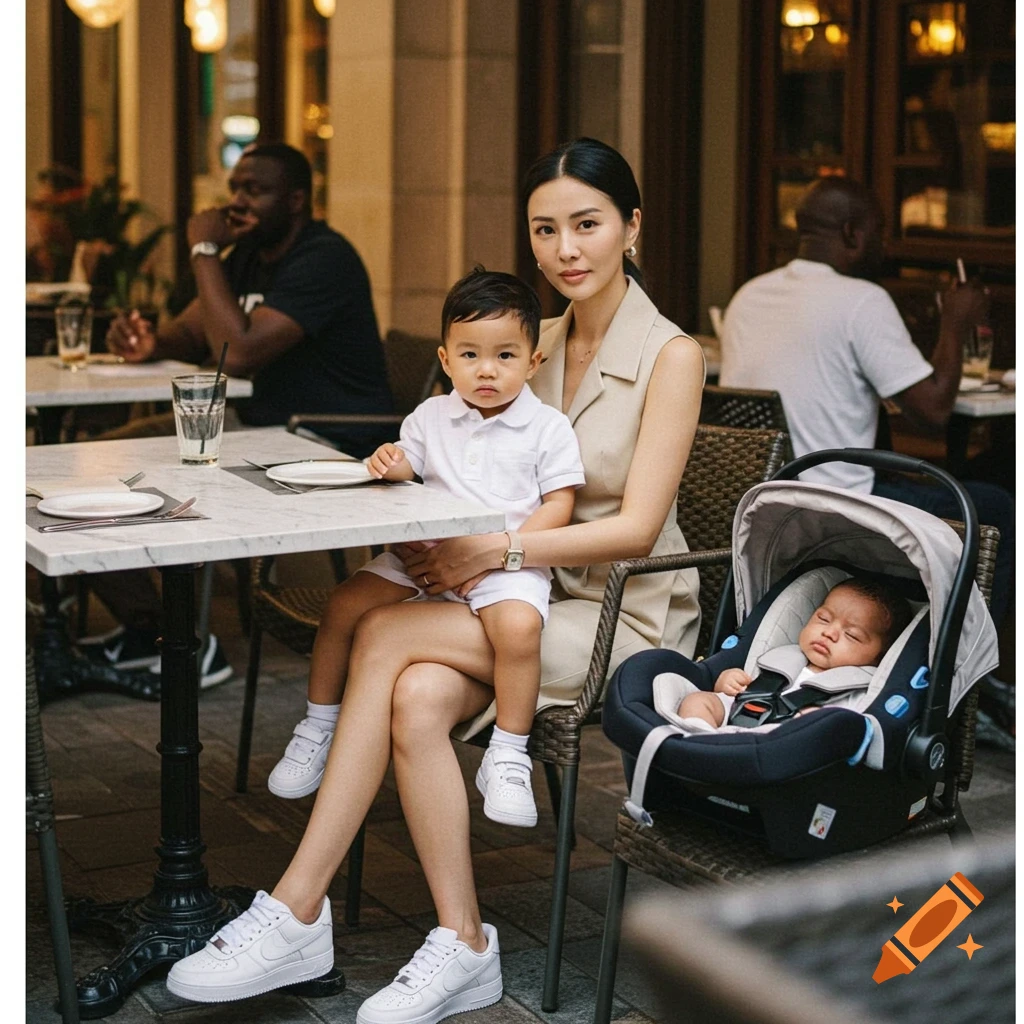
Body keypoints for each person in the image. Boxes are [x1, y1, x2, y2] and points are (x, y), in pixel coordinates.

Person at [166, 137, 705, 1021]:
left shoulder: (671, 354)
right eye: (545, 229)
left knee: (382, 633)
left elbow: (638, 529)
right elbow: (465, 462)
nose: (566, 249)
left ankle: (296, 908)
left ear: (632, 227)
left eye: (587, 225)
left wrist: (493, 553)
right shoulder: (530, 341)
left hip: (616, 610)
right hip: (502, 596)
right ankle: (465, 943)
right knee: (415, 694)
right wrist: (427, 517)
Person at [268, 268, 586, 830]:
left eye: (505, 356)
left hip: (506, 563)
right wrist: (390, 464)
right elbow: (406, 470)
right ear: (445, 359)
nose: (486, 370)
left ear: (533, 361)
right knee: (344, 604)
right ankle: (319, 723)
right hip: (423, 556)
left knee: (518, 630)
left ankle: (508, 752)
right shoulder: (431, 416)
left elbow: (559, 504)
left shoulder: (548, 427)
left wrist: (509, 551)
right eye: (470, 355)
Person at [80, 142, 394, 683]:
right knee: (95, 467)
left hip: (324, 440)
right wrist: (148, 342)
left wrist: (203, 250)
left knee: (138, 472)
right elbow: (190, 331)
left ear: (296, 200)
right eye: (235, 188)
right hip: (257, 430)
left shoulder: (324, 258)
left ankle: (182, 642)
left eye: (255, 190)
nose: (238, 202)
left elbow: (240, 351)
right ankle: (156, 629)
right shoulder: (247, 256)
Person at [719, 176, 1013, 631]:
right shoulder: (861, 300)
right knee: (997, 505)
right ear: (853, 234)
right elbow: (933, 413)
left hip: (765, 505)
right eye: (880, 232)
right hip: (842, 506)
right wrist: (954, 323)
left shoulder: (749, 295)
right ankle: (969, 658)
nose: (885, 246)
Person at [675, 578, 912, 731]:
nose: (829, 633)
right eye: (823, 619)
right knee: (697, 700)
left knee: (814, 726)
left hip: (785, 743)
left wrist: (819, 721)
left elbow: (855, 728)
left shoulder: (864, 690)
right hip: (740, 714)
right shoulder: (779, 657)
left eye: (851, 635)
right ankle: (698, 739)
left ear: (880, 656)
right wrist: (728, 681)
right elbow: (743, 686)